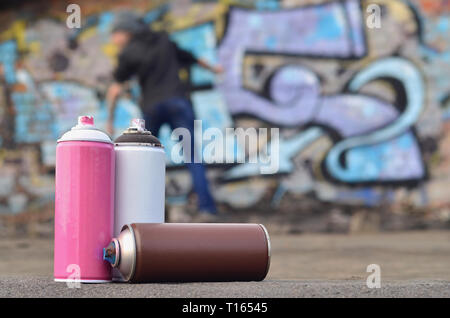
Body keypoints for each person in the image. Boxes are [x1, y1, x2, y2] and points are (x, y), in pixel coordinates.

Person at [106, 12, 222, 220]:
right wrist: (215, 68)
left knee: (144, 159)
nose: (114, 40)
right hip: (179, 103)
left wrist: (109, 121)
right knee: (193, 158)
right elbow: (192, 57)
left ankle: (144, 212)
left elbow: (114, 90)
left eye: (116, 34)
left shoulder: (128, 53)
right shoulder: (163, 40)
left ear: (127, 32)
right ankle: (207, 209)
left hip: (152, 108)